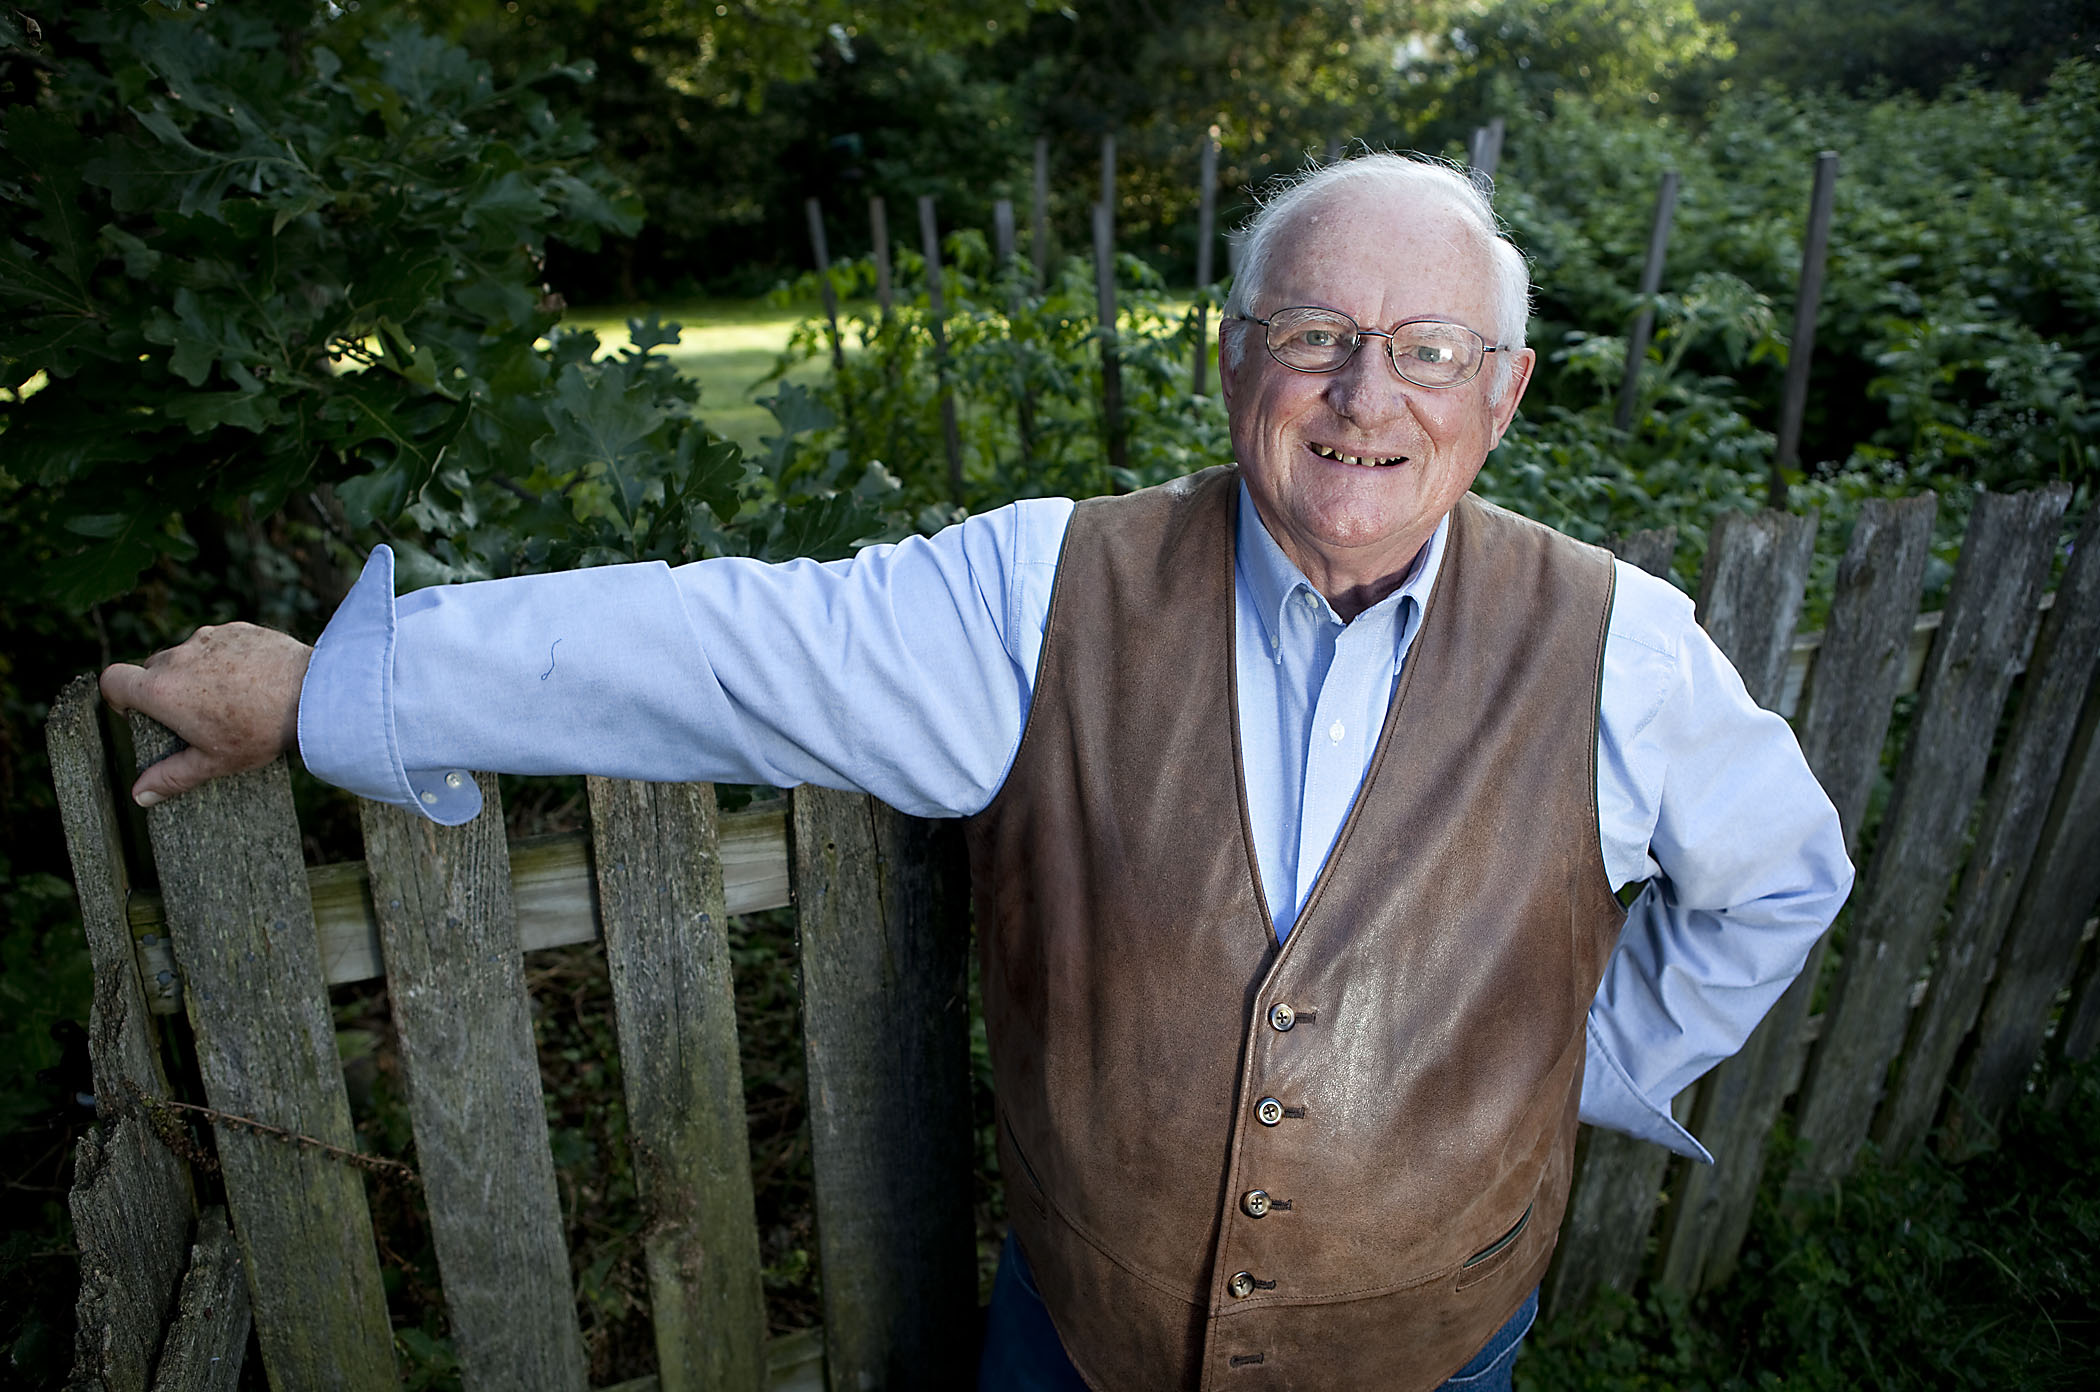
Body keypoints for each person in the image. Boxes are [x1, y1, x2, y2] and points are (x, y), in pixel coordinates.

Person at [102, 153, 1852, 1392]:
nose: (1360, 393)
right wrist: (342, 682)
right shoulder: (1038, 592)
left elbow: (1781, 879)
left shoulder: (1620, 646)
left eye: (1428, 350)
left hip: (1434, 1357)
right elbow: (718, 648)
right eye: (1313, 332)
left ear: (1505, 394)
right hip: (1073, 1346)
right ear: (1235, 356)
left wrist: (1586, 1064)